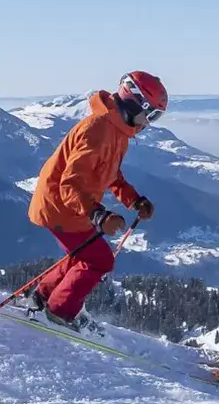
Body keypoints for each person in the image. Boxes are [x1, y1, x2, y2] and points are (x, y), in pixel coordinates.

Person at [21, 71, 166, 329]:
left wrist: (134, 200)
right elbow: (70, 182)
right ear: (136, 103)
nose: (150, 122)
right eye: (152, 114)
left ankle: (41, 299)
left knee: (83, 255)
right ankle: (60, 313)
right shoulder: (98, 130)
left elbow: (110, 173)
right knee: (99, 259)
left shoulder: (117, 132)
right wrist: (98, 215)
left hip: (70, 206)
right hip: (60, 206)